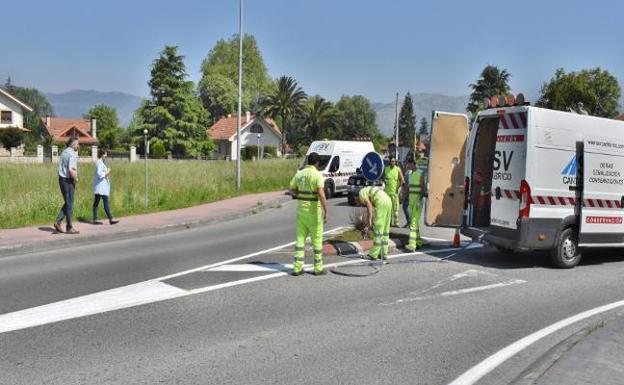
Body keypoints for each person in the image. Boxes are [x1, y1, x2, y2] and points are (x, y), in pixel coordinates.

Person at [288, 152, 329, 276]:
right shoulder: (317, 175)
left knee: (300, 240)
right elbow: (321, 194)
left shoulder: (299, 174)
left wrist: (298, 195)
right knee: (316, 240)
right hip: (313, 213)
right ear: (317, 163)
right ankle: (318, 268)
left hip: (301, 212)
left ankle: (297, 267)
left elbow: (290, 189)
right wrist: (326, 211)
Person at [357, 186, 392, 261]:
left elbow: (369, 206)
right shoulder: (366, 190)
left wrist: (369, 221)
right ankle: (383, 253)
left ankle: (373, 255)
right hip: (388, 201)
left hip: (381, 202)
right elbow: (371, 210)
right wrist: (369, 223)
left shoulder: (361, 194)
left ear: (355, 197)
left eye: (357, 202)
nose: (358, 204)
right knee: (385, 230)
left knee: (378, 230)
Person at [54, 137, 80, 234]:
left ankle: (58, 221)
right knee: (70, 204)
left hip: (61, 179)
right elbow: (71, 169)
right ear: (73, 144)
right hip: (68, 180)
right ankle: (69, 227)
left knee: (68, 202)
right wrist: (76, 179)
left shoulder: (64, 152)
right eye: (77, 144)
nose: (78, 145)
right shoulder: (72, 153)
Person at [92, 149, 119, 225]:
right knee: (104, 203)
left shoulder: (101, 163)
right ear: (102, 155)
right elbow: (100, 174)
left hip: (101, 187)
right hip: (101, 187)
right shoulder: (99, 163)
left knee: (96, 203)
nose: (106, 156)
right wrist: (107, 172)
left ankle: (95, 219)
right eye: (105, 154)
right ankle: (110, 219)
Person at [405, 158, 425, 251]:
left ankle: (412, 245)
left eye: (409, 164)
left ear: (413, 163)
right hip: (411, 201)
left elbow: (423, 188)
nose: (408, 166)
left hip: (417, 201)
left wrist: (419, 200)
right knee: (415, 222)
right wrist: (404, 197)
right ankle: (418, 241)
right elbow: (409, 188)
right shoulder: (409, 174)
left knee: (413, 222)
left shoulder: (420, 173)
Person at [383, 155, 404, 227]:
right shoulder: (386, 169)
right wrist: (385, 182)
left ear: (395, 162)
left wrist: (398, 187)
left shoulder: (398, 169)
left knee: (396, 209)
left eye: (394, 161)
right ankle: (389, 223)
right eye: (391, 161)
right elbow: (383, 177)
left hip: (394, 193)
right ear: (389, 162)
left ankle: (396, 223)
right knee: (388, 208)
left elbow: (402, 180)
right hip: (387, 193)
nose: (392, 163)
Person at [401, 161, 412, 228]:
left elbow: (407, 186)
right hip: (411, 193)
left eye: (405, 164)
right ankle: (409, 222)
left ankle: (409, 222)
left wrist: (404, 195)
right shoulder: (410, 173)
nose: (404, 166)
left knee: (405, 207)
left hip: (408, 193)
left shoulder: (408, 174)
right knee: (407, 207)